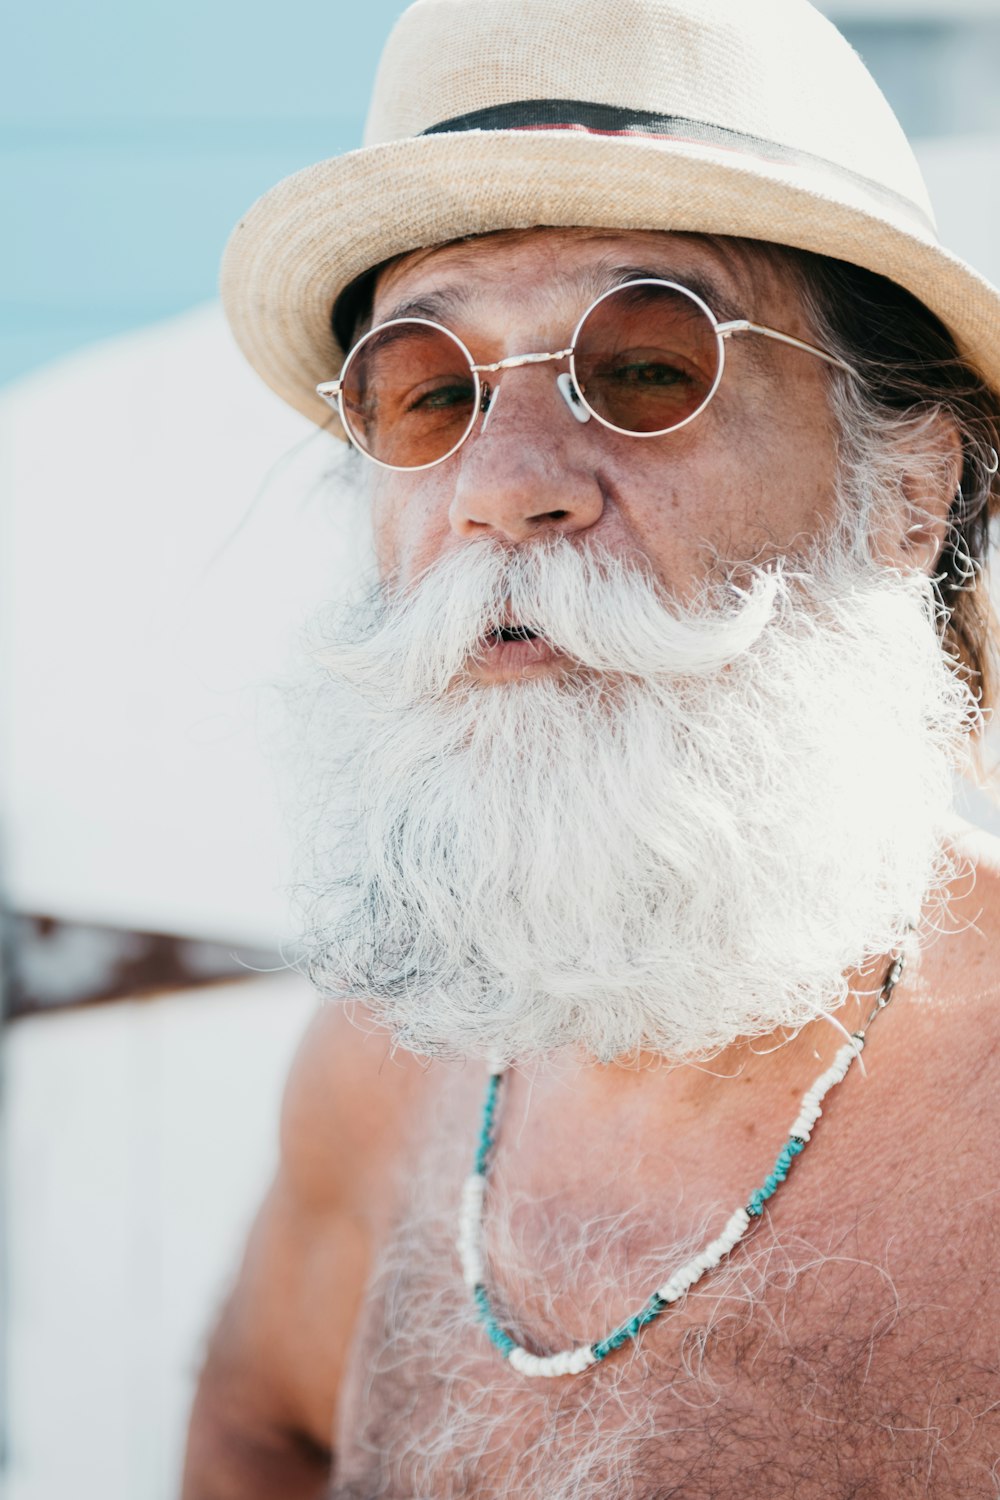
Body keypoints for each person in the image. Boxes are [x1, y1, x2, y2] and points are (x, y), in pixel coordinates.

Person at [182, 1, 1000, 1494]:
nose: (503, 486)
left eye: (642, 367)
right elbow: (262, 1425)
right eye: (427, 392)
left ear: (910, 487)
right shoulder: (386, 1065)